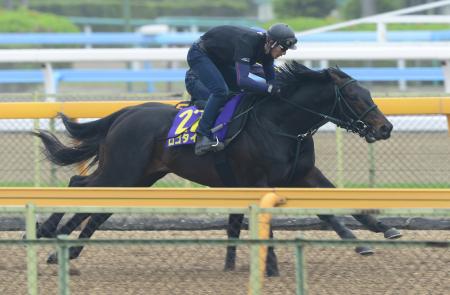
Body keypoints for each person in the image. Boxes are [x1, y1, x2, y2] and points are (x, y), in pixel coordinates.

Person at [186, 23, 298, 156]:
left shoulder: (267, 50)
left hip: (219, 58)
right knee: (221, 91)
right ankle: (202, 136)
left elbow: (271, 81)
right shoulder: (247, 42)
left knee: (242, 94)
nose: (283, 53)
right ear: (272, 43)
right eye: (283, 48)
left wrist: (281, 89)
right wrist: (269, 89)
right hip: (200, 54)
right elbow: (243, 81)